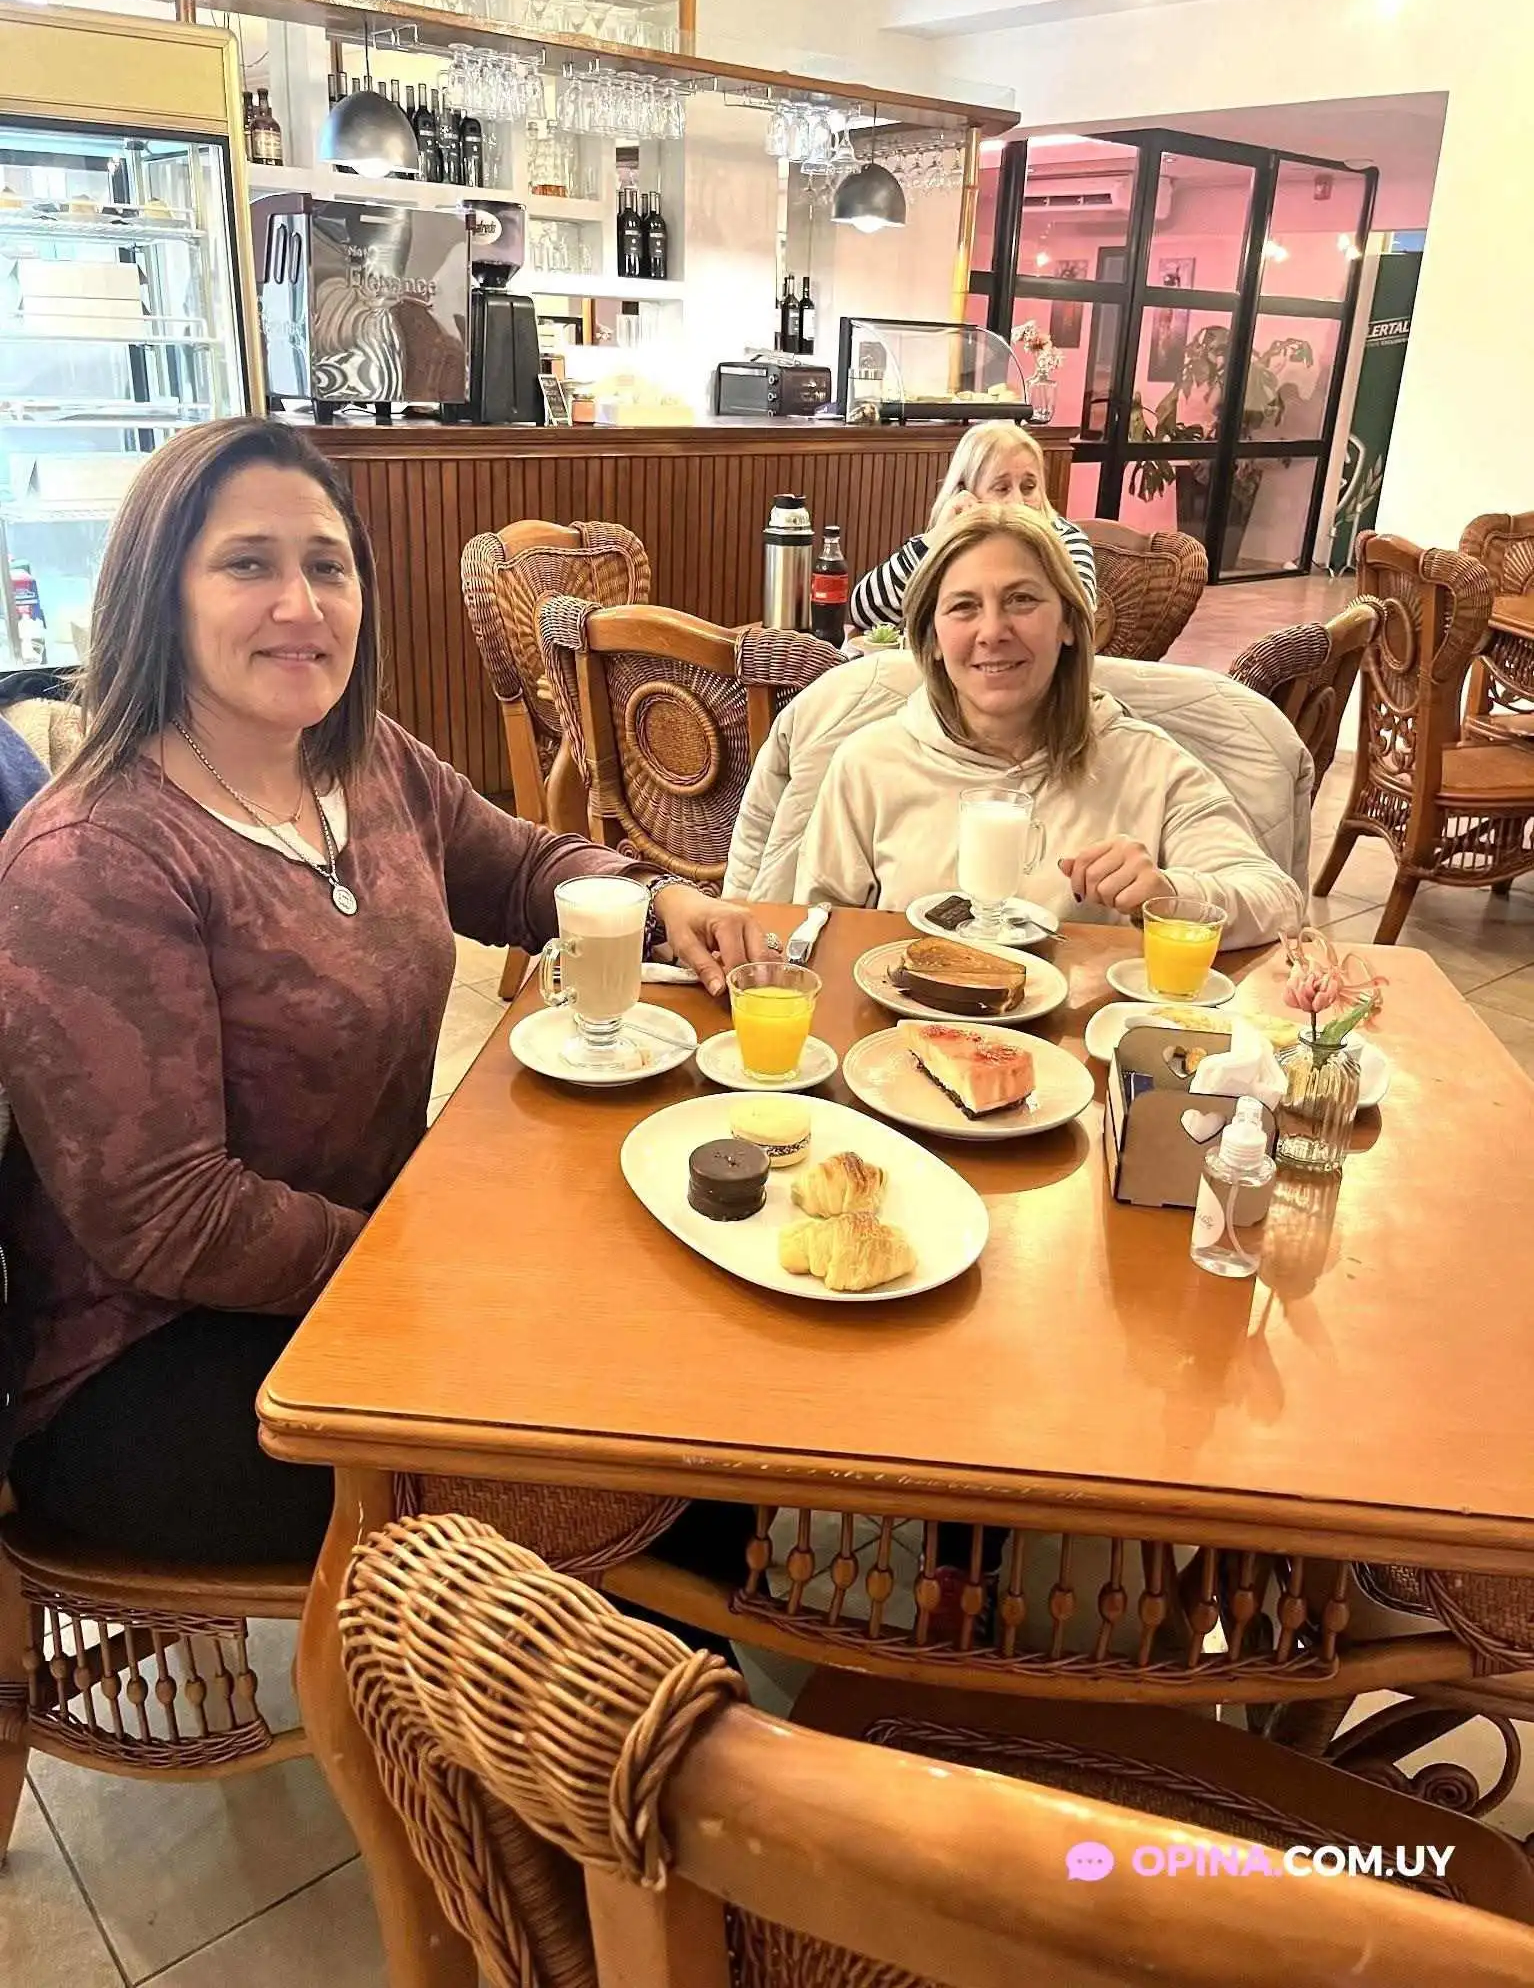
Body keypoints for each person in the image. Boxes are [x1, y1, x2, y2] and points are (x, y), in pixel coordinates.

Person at [0, 418, 768, 1564]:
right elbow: (171, 1218)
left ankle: (648, 1632)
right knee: (626, 1435)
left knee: (670, 1339)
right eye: (247, 563)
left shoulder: (360, 759)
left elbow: (518, 865)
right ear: (158, 594)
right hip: (155, 1369)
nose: (300, 603)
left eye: (328, 564)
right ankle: (579, 1656)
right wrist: (432, 1263)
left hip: (364, 1266)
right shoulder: (95, 858)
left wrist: (659, 899)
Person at [798, 503, 1304, 946]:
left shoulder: (1145, 763)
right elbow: (815, 928)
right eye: (964, 606)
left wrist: (1170, 895)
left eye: (1022, 599)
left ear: (1068, 623)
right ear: (930, 639)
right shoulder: (870, 765)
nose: (993, 631)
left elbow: (1276, 901)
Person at [846, 419, 1097, 642]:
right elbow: (866, 612)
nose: (1018, 502)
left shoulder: (1067, 539)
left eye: (1029, 487)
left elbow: (1078, 620)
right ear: (965, 492)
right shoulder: (947, 538)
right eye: (1002, 488)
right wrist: (936, 541)